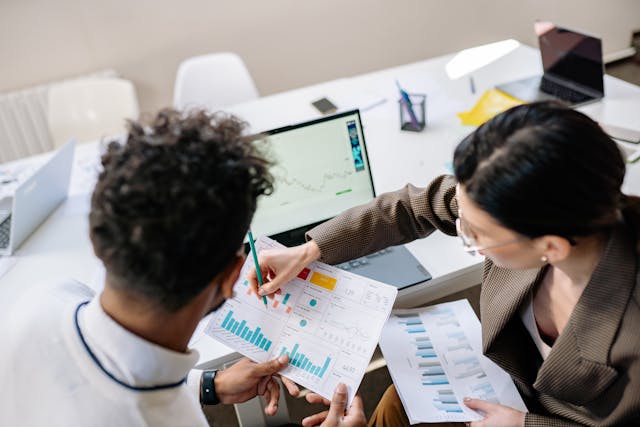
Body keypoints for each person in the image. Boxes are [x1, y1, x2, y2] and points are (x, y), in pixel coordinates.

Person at [248, 101, 640, 426]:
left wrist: (525, 425)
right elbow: (408, 208)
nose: (462, 229)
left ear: (551, 248)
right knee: (395, 402)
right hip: (501, 386)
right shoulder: (510, 202)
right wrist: (307, 252)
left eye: (475, 234)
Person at [0, 109, 361, 427]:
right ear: (232, 276)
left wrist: (209, 386)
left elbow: (105, 373)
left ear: (98, 239)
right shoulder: (171, 420)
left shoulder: (41, 301)